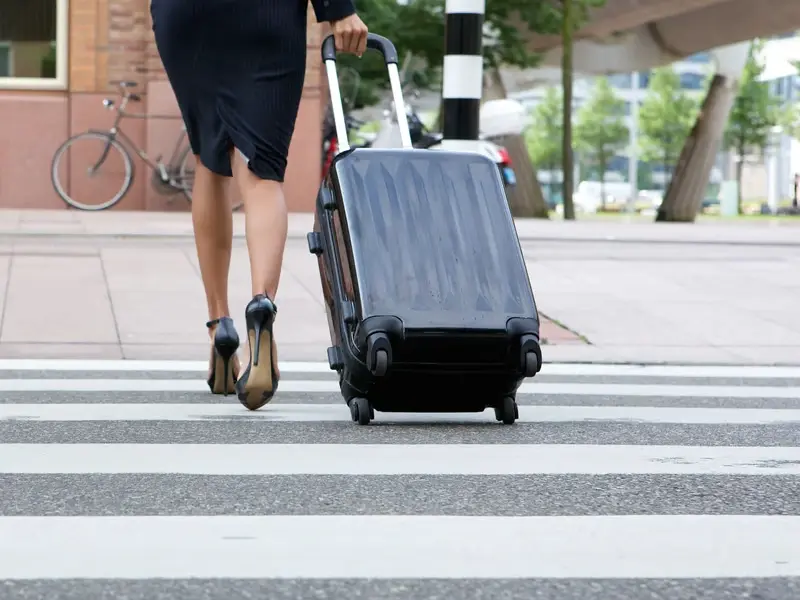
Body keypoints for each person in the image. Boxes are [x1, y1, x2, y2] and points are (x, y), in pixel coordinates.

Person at [150, 0, 368, 410]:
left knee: (208, 161)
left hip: (185, 17)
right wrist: (338, 9)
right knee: (261, 171)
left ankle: (220, 327)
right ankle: (261, 304)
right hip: (263, 15)